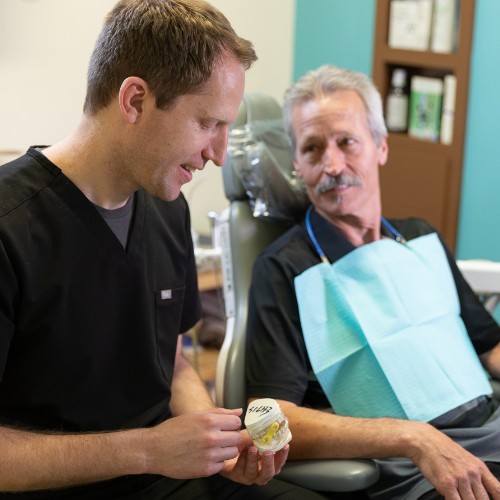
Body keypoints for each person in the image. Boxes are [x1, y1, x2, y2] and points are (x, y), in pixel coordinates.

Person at [0, 1, 328, 498]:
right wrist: (150, 450)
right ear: (133, 100)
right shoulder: (11, 228)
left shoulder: (166, 206)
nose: (219, 154)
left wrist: (216, 442)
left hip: (167, 478)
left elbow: (169, 362)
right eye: (207, 124)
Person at [245, 65, 500, 500]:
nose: (332, 165)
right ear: (297, 166)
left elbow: (489, 346)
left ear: (381, 146)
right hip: (413, 469)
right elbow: (271, 418)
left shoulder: (421, 237)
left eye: (347, 142)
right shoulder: (285, 268)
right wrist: (412, 438)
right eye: (312, 149)